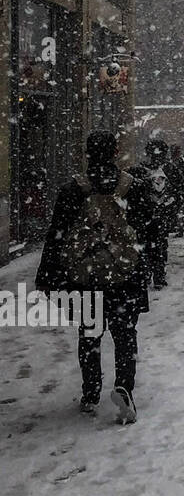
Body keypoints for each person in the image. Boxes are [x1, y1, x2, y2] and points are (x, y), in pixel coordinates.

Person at [36, 131, 150, 423]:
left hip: (86, 276)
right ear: (114, 153)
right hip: (124, 275)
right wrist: (144, 268)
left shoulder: (74, 189)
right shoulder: (131, 186)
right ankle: (124, 385)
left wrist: (47, 275)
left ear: (88, 153)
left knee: (90, 334)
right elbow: (146, 232)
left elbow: (57, 235)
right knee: (125, 335)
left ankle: (90, 391)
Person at [131, 136, 178, 289]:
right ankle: (158, 275)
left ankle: (146, 274)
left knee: (145, 244)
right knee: (160, 244)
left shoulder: (141, 169)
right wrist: (172, 208)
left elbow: (135, 193)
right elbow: (179, 191)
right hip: (161, 213)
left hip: (146, 214)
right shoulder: (170, 169)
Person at [168, 145, 184, 236]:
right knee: (180, 209)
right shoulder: (172, 162)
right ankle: (181, 227)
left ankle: (181, 228)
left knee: (181, 210)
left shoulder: (182, 161)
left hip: (181, 189)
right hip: (178, 189)